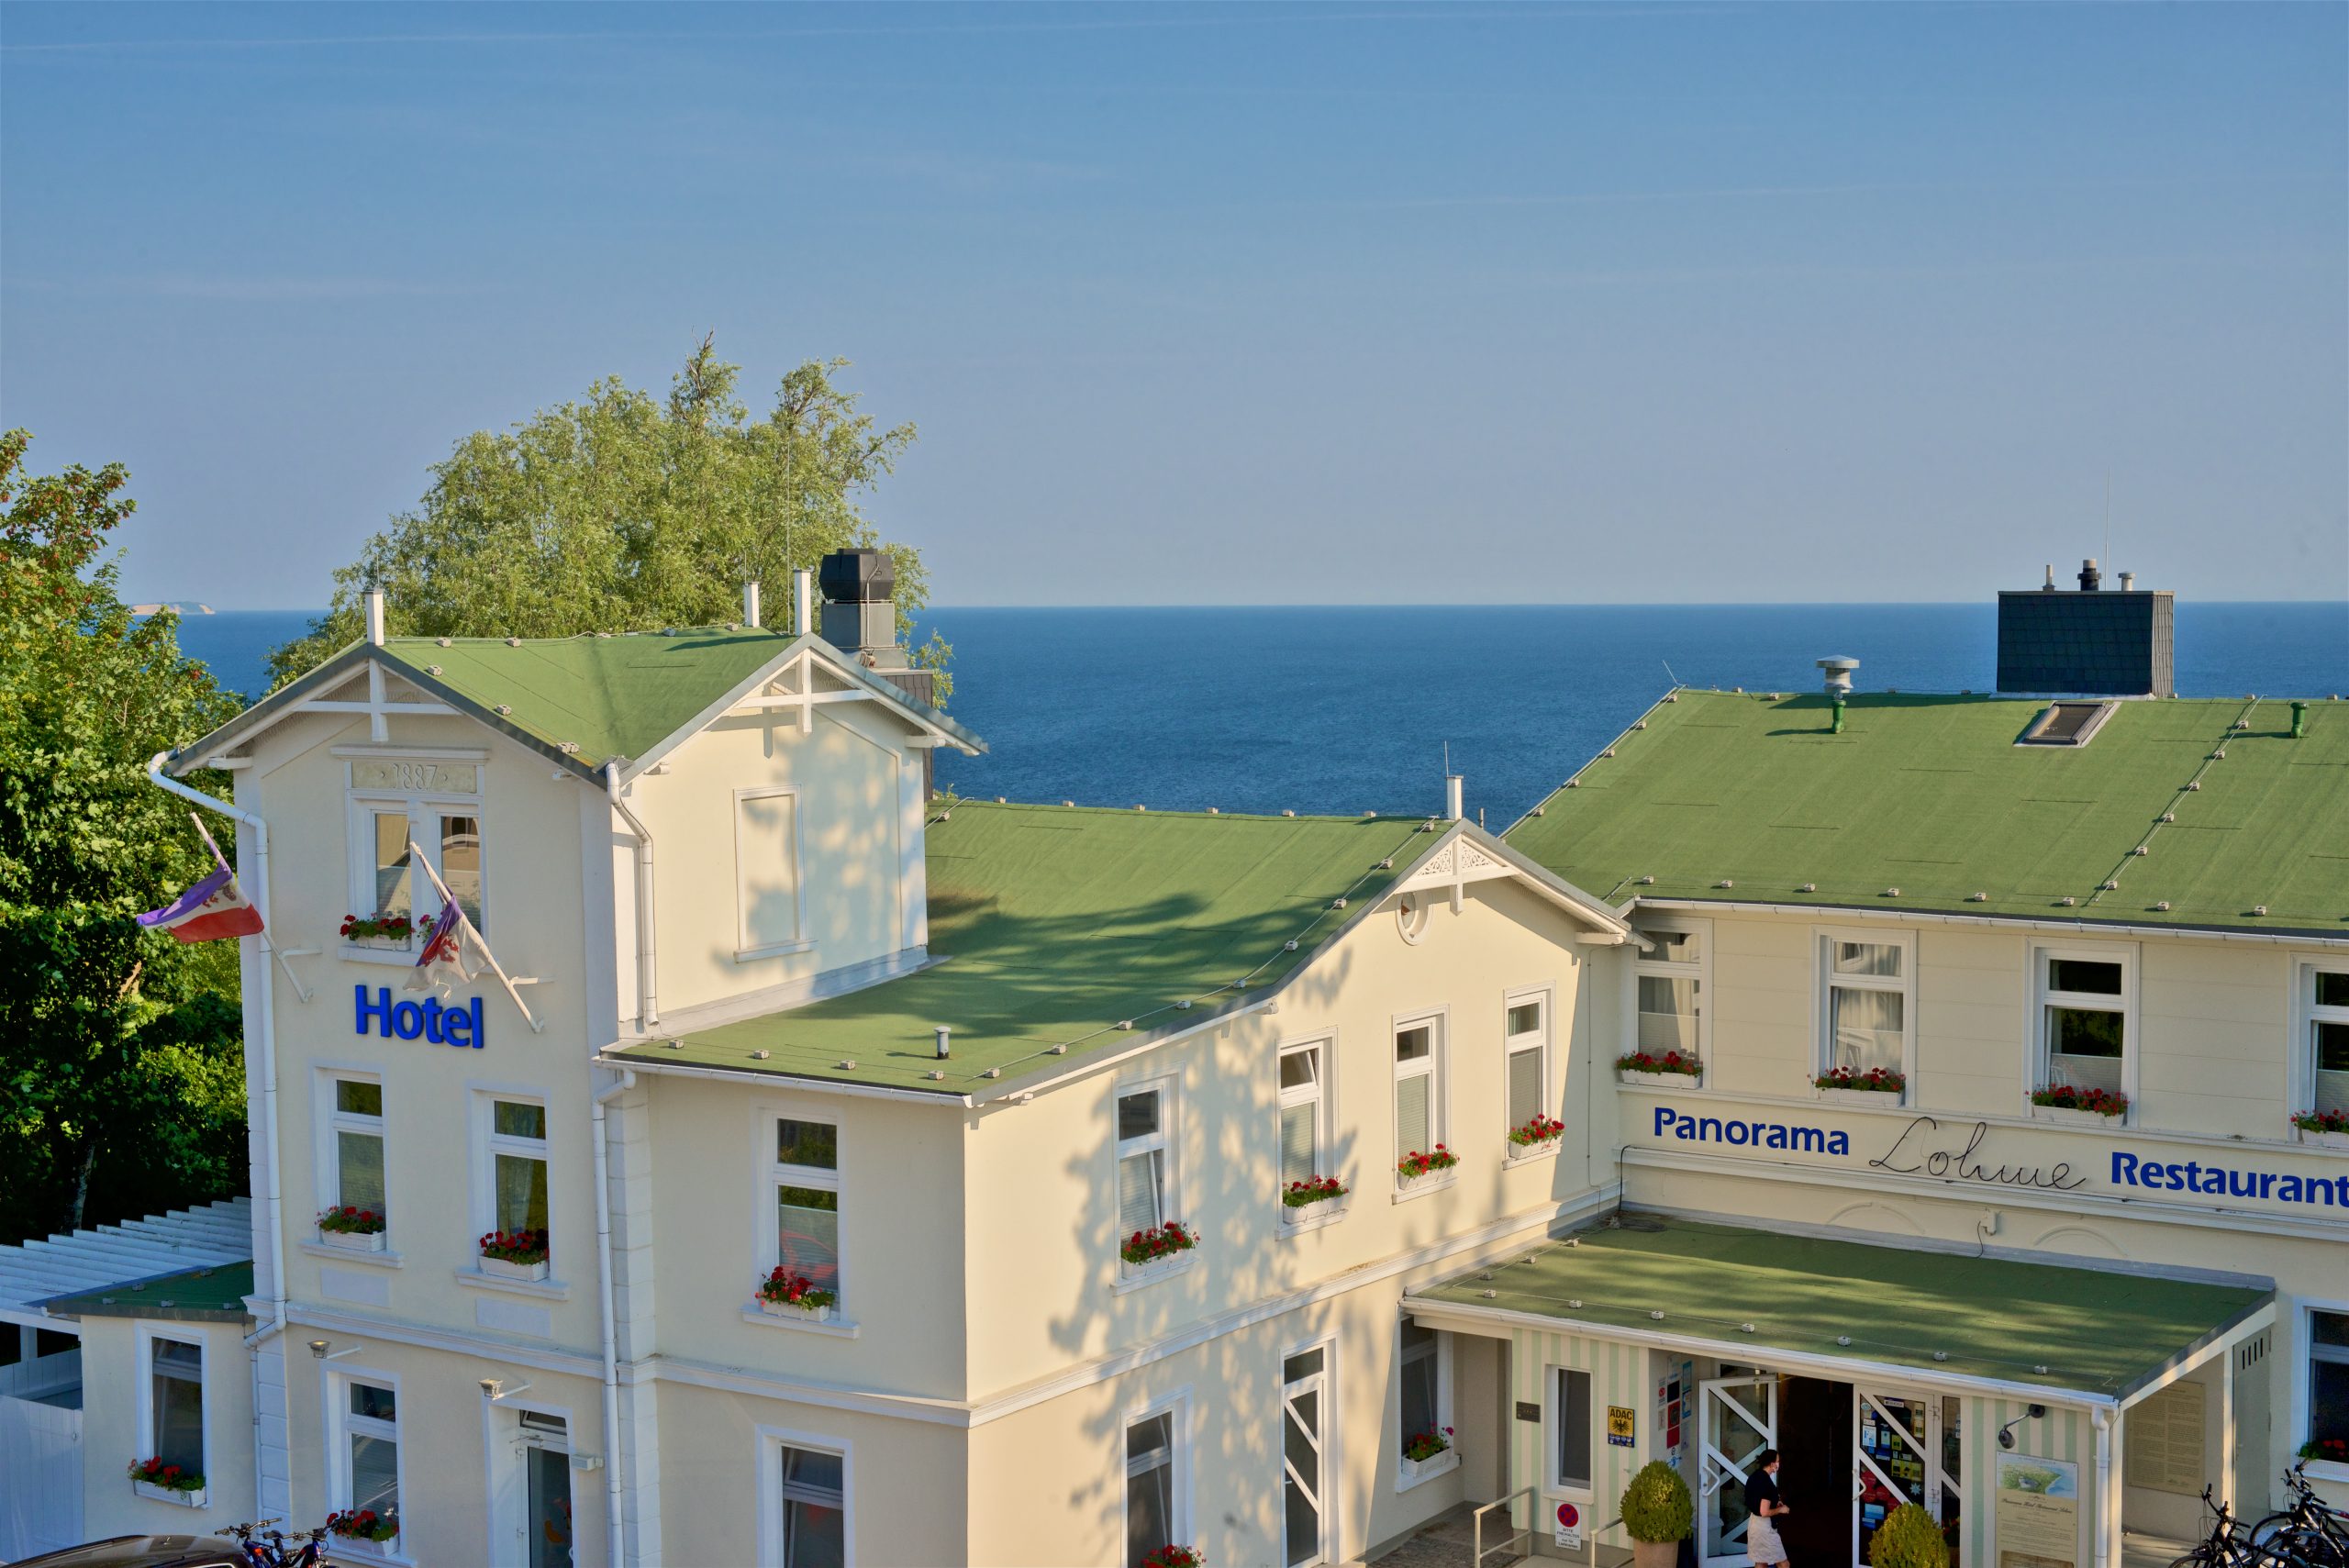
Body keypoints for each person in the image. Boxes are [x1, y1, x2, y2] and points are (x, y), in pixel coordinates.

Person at [1744, 1449, 1791, 1568]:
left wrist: (1776, 1501)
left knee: (1761, 1562)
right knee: (1783, 1563)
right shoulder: (1766, 1483)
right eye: (1778, 1461)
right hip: (1765, 1528)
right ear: (1772, 1464)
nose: (1778, 1463)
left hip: (1754, 1523)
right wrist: (1781, 1509)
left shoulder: (1754, 1477)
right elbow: (1764, 1512)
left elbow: (1757, 1500)